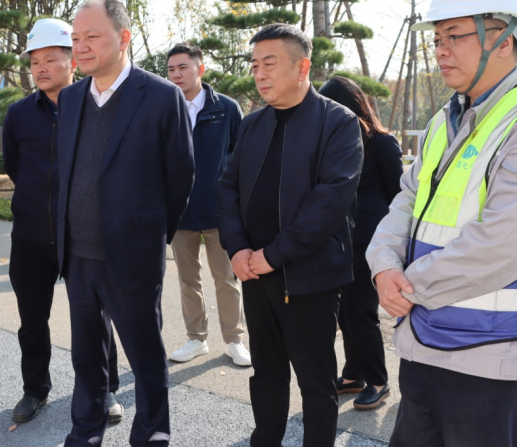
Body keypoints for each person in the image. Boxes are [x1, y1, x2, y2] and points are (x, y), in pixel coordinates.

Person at [366, 0, 517, 447]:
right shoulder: (445, 120)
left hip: (491, 354)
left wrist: (407, 285)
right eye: (436, 38)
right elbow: (406, 200)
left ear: (503, 39)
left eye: (455, 36)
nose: (440, 50)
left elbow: (504, 243)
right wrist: (382, 266)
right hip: (424, 340)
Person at [218, 23, 363, 447]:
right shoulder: (252, 124)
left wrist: (273, 255)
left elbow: (330, 201)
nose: (259, 74)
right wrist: (237, 247)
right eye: (254, 65)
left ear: (303, 67)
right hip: (254, 273)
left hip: (310, 277)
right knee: (266, 373)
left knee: (316, 382)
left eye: (270, 63)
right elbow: (227, 187)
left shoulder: (337, 122)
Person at [58, 0, 194, 446]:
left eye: (92, 36)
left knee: (144, 355)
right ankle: (85, 431)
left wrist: (151, 235)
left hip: (133, 253)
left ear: (124, 38)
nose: (81, 46)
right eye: (76, 38)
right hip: (77, 254)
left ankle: (152, 433)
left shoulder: (160, 95)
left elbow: (180, 176)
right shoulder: (72, 97)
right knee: (86, 356)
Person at [2, 18, 123, 425]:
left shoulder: (96, 108)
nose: (40, 68)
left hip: (83, 235)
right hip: (32, 235)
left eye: (50, 59)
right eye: (34, 61)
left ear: (72, 61)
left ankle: (103, 389)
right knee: (32, 319)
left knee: (94, 317)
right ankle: (35, 388)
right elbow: (17, 168)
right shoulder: (19, 114)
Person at [319, 75, 402, 410]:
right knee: (344, 312)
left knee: (360, 313)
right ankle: (353, 374)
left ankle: (378, 381)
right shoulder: (332, 142)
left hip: (370, 242)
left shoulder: (382, 142)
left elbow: (399, 196)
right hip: (338, 239)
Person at [166, 42, 250, 367]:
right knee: (188, 280)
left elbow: (241, 157)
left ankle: (235, 341)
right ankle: (196, 339)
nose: (176, 74)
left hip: (220, 212)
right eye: (171, 69)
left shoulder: (226, 108)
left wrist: (237, 204)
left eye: (182, 67)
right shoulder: (164, 108)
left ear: (200, 69)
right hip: (179, 212)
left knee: (226, 279)